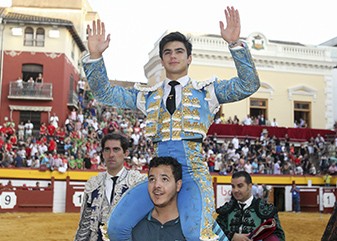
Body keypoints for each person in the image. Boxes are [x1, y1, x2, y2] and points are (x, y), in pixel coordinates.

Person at [83, 6, 259, 241]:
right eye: (167, 52)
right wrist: (95, 57)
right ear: (162, 59)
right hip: (158, 176)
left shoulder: (208, 92)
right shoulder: (147, 95)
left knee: (196, 234)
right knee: (116, 228)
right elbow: (105, 93)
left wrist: (235, 44)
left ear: (189, 58)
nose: (173, 56)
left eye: (179, 51)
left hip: (192, 176)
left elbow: (248, 85)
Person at [74, 133, 146, 241]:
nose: (111, 154)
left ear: (125, 153)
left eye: (116, 149)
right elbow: (85, 226)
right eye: (107, 150)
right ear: (103, 153)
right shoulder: (93, 184)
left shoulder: (137, 182)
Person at [216, 171, 285, 241]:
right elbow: (215, 231)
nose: (235, 190)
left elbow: (279, 236)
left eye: (240, 186)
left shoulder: (266, 210)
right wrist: (232, 236)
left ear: (250, 186)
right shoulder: (226, 210)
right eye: (233, 186)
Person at [131, 156, 185, 241]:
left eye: (164, 179)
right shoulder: (136, 226)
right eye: (152, 179)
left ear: (178, 185)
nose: (156, 185)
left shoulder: (192, 228)